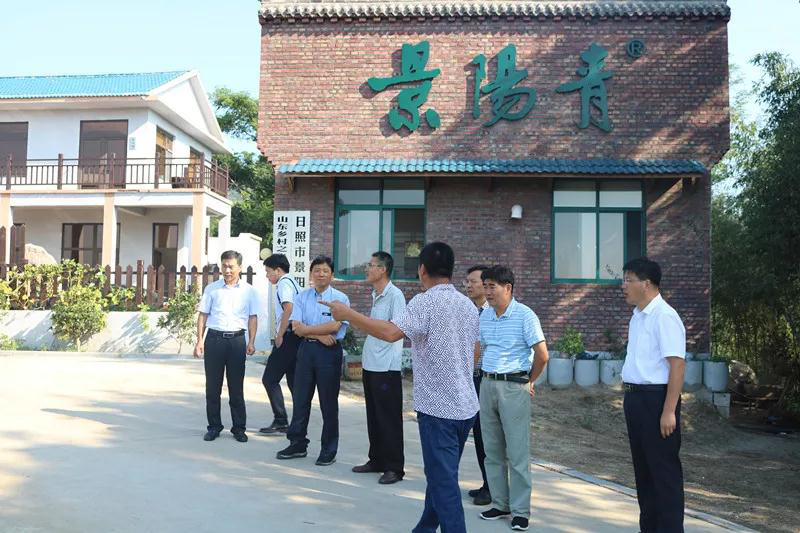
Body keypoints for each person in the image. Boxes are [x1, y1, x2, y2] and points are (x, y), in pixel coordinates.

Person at [323, 242, 479, 533]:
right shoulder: (467, 304)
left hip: (439, 410)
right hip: (466, 406)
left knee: (444, 483)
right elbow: (476, 349)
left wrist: (348, 314)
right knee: (441, 477)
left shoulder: (424, 302)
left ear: (422, 269)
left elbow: (391, 333)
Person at [476, 266, 548, 532]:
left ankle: (520, 511)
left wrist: (530, 381)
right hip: (487, 384)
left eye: (492, 286)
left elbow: (542, 355)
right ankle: (500, 503)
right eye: (485, 286)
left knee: (517, 452)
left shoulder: (525, 315)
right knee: (492, 450)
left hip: (514, 386)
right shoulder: (485, 315)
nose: (487, 291)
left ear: (508, 287)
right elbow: (480, 348)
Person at [621, 257, 686, 533]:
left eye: (628, 280)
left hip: (656, 401)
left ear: (646, 284)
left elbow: (677, 365)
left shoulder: (665, 316)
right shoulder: (637, 316)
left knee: (663, 474)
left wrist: (669, 410)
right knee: (644, 473)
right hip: (635, 399)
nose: (623, 286)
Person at [276, 256, 350, 466]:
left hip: (329, 353)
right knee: (300, 400)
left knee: (328, 402)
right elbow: (296, 328)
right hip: (306, 351)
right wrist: (318, 335)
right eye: (317, 270)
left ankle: (328, 449)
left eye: (325, 271)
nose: (320, 274)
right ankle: (297, 443)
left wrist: (310, 331)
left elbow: (335, 327)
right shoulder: (302, 297)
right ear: (311, 274)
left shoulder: (341, 299)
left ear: (332, 275)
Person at [351, 251, 407, 485]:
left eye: (371, 265)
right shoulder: (376, 294)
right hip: (371, 364)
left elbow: (395, 331)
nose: (367, 268)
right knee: (374, 416)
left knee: (389, 418)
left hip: (387, 367)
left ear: (383, 269)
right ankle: (376, 460)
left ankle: (394, 467)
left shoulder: (396, 296)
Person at [194, 250, 258, 443]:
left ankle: (239, 428)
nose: (227, 270)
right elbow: (203, 315)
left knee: (236, 387)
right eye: (224, 266)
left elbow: (252, 317)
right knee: (212, 388)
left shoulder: (249, 291)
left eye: (231, 266)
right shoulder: (211, 289)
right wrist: (199, 340)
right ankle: (214, 426)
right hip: (214, 340)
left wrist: (251, 341)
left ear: (239, 267)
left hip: (237, 341)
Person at [260, 253, 302, 435]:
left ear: (278, 270)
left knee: (269, 379)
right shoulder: (293, 282)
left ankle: (281, 420)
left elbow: (289, 308)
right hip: (297, 337)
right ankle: (298, 422)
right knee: (293, 381)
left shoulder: (284, 283)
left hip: (288, 336)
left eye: (268, 271)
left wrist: (280, 334)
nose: (267, 276)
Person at [464, 264, 492, 506]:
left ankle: (492, 487)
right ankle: (487, 483)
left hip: (485, 378)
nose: (468, 286)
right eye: (467, 282)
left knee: (486, 434)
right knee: (477, 433)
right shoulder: (470, 311)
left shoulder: (493, 313)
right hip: (471, 377)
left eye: (473, 282)